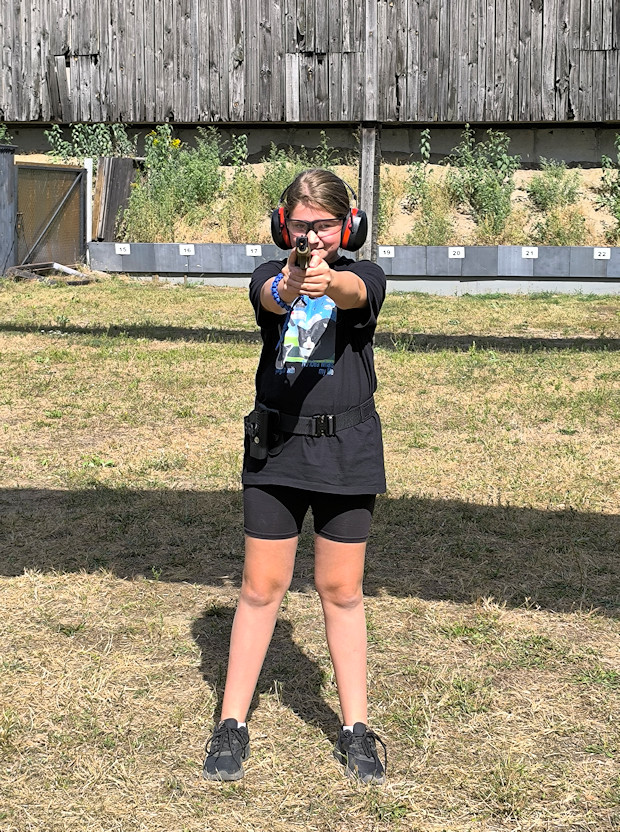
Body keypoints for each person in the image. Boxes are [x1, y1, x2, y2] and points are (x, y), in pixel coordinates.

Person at [203, 168, 387, 784]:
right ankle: (231, 723)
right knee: (261, 587)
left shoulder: (365, 274)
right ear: (284, 226)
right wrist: (291, 281)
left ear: (348, 226)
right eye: (302, 225)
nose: (313, 236)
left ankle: (356, 728)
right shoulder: (269, 273)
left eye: (325, 226)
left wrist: (327, 279)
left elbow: (354, 294)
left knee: (342, 590)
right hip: (277, 451)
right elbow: (270, 298)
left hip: (347, 451)